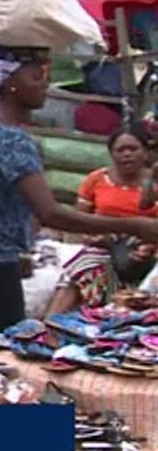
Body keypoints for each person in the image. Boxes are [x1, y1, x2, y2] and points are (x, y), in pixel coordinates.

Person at [0, 47, 158, 337]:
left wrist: (22, 244)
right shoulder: (12, 139)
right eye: (36, 78)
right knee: (3, 350)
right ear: (11, 84)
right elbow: (50, 213)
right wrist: (133, 225)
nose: (46, 84)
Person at [45, 124, 158, 315]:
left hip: (147, 250)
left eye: (133, 149)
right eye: (121, 150)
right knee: (85, 264)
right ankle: (51, 325)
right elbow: (78, 222)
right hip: (104, 248)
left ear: (145, 152)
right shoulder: (96, 179)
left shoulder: (154, 182)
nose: (127, 154)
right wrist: (95, 238)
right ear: (111, 154)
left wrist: (150, 247)